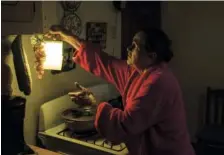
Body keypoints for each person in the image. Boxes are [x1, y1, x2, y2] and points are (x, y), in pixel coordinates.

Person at [44, 25, 195, 155]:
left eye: (135, 46)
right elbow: (104, 62)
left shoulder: (158, 82)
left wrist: (94, 105)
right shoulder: (138, 72)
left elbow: (125, 125)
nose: (129, 48)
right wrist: (66, 36)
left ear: (151, 56)